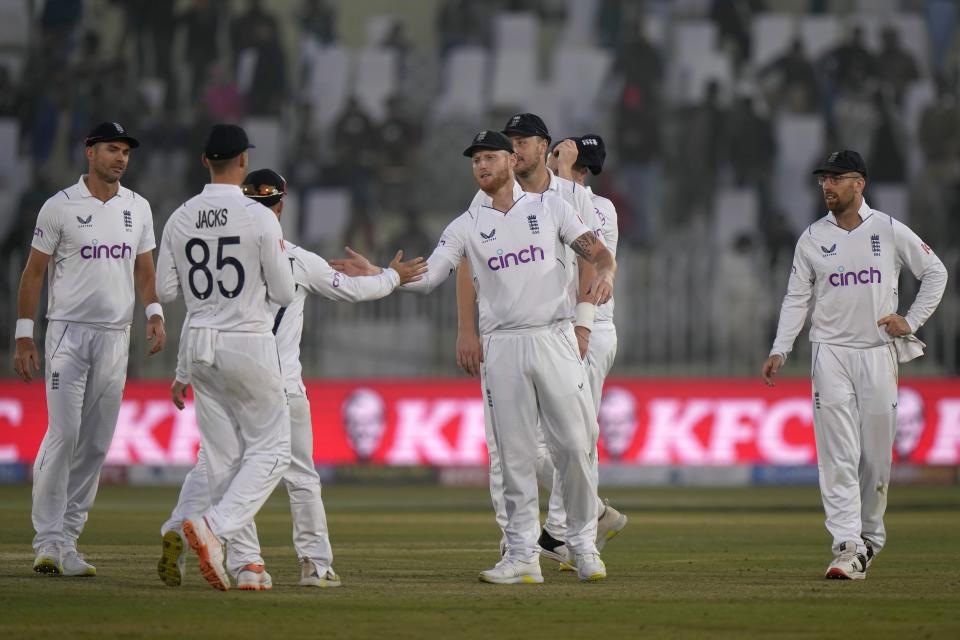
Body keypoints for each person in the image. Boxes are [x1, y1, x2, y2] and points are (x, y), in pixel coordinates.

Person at [339, 130, 618, 583]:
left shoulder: (551, 208)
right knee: (514, 455)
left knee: (574, 446)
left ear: (511, 160)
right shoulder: (467, 224)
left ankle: (583, 545)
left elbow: (598, 252)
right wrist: (381, 275)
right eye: (475, 161)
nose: (482, 166)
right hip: (501, 346)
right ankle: (523, 556)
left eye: (490, 157)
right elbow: (430, 275)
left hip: (553, 337)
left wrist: (605, 271)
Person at [157, 168, 425, 590]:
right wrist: (391, 277)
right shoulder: (295, 258)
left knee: (219, 467)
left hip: (217, 369)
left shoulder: (216, 250)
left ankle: (245, 564)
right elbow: (354, 292)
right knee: (298, 475)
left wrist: (181, 372)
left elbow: (195, 313)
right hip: (277, 383)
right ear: (280, 206)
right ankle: (314, 565)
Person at [761, 150, 947, 580]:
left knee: (876, 458)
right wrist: (780, 348)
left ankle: (869, 538)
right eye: (823, 179)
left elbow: (936, 272)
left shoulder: (887, 229)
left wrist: (911, 320)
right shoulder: (811, 237)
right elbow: (797, 298)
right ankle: (846, 542)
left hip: (878, 352)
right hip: (830, 352)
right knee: (837, 453)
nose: (826, 186)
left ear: (858, 183)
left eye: (836, 178)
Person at [457, 116, 626, 570]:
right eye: (509, 142)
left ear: (545, 147)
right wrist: (469, 328)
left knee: (572, 441)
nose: (515, 149)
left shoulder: (587, 201)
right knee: (518, 446)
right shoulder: (489, 195)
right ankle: (550, 533)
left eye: (523, 142)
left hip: (577, 330)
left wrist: (583, 326)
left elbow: (588, 254)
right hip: (523, 334)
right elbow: (469, 255)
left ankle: (571, 535)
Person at [13, 121, 166, 577]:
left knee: (97, 443)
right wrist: (25, 335)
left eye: (125, 152)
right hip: (67, 334)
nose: (120, 158)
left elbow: (144, 271)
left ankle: (68, 540)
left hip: (116, 337)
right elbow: (33, 274)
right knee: (64, 435)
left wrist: (154, 312)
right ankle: (46, 541)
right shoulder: (59, 207)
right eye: (112, 150)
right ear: (90, 153)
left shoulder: (137, 207)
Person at [155, 124, 297, 591]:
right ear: (243, 162)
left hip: (199, 341)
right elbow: (282, 290)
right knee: (273, 450)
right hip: (247, 338)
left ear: (204, 161)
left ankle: (246, 565)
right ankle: (214, 528)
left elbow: (166, 291)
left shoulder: (178, 217)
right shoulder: (259, 217)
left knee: (222, 459)